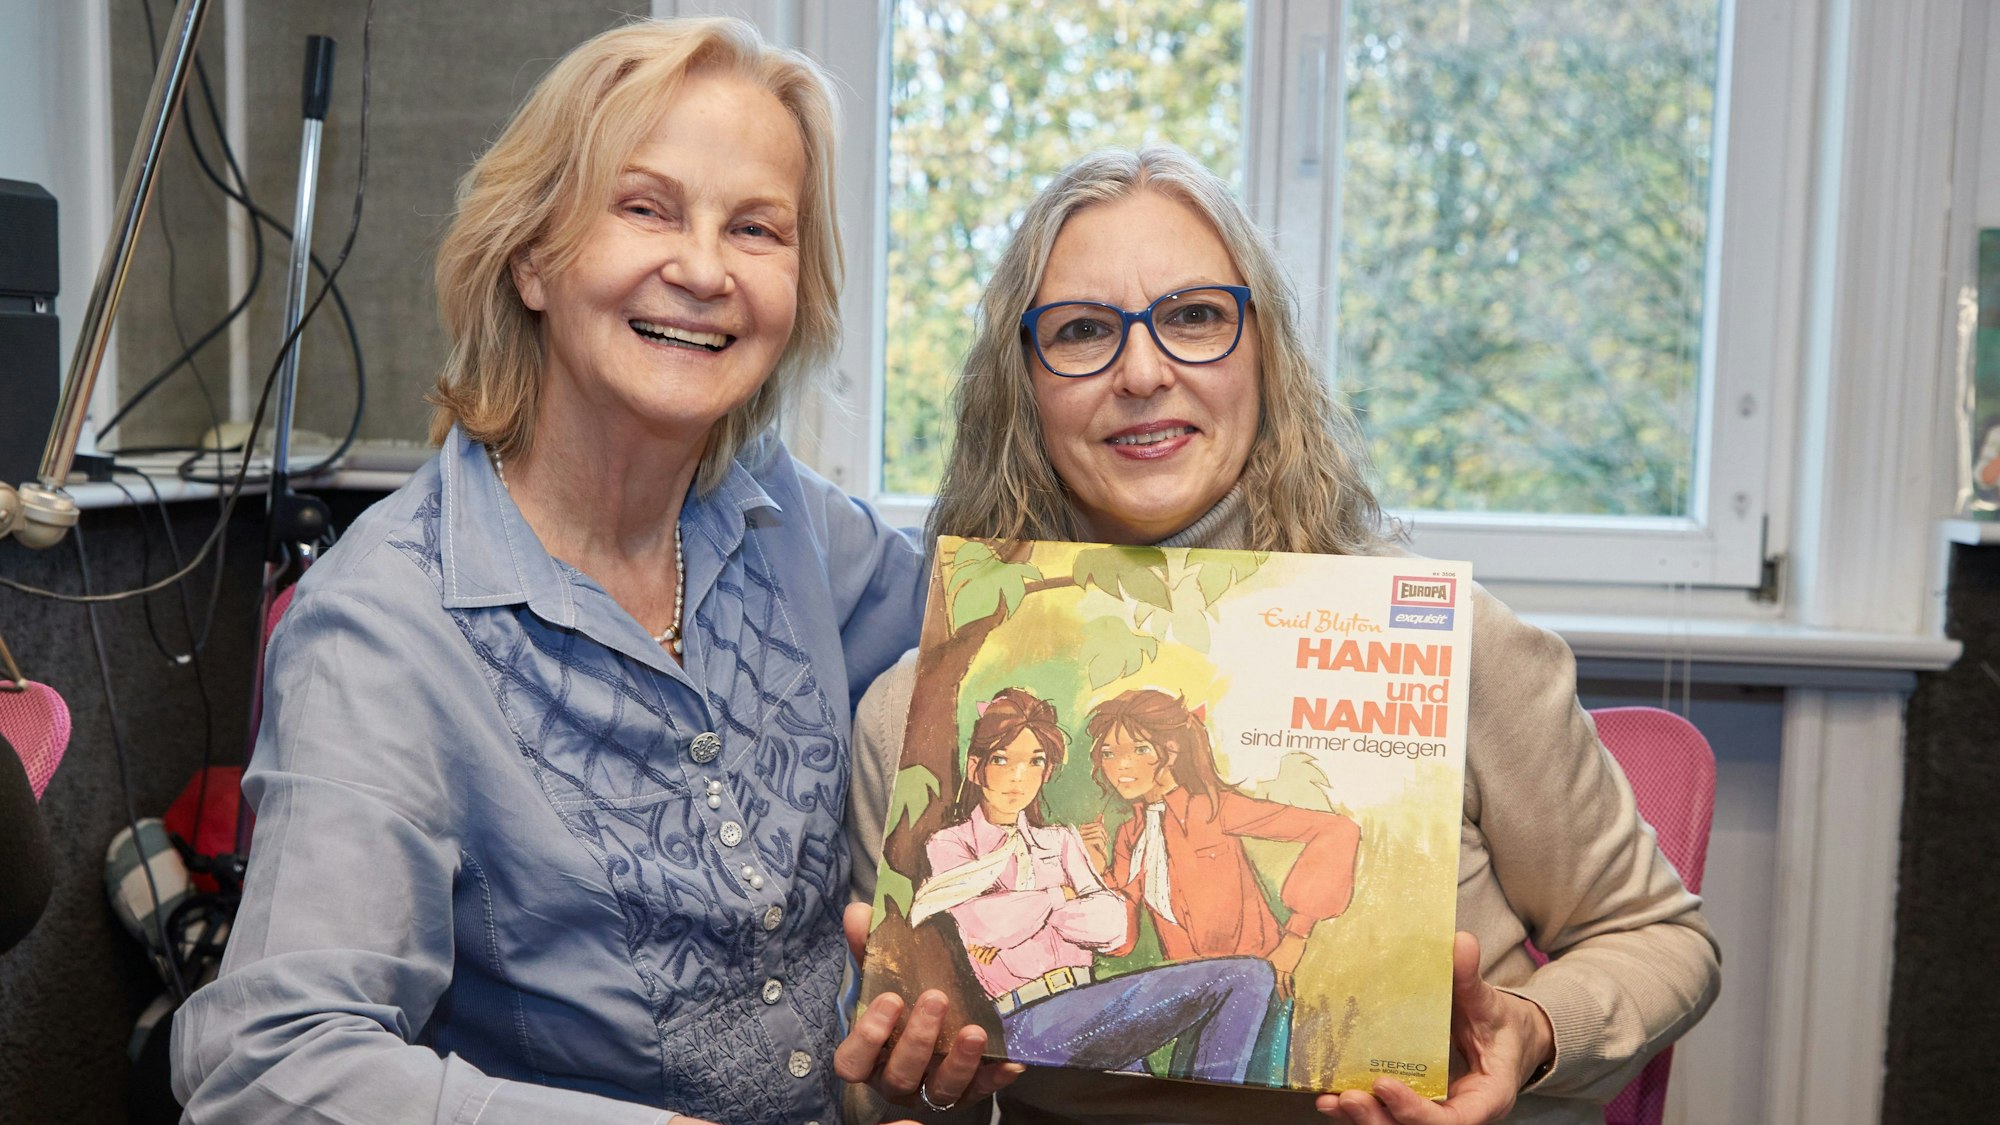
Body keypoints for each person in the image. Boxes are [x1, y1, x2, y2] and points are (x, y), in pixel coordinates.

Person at [843, 146, 1720, 1124]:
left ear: (1263, 353)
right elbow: (905, 1091)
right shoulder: (914, 715)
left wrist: (1527, 1027)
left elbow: (1661, 939)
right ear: (1021, 383)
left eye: (1193, 318)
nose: (1142, 371)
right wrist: (918, 1091)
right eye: (1083, 331)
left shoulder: (1449, 646)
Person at [170, 19, 938, 1124]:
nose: (706, 269)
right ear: (530, 256)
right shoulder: (383, 624)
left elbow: (1005, 646)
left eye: (757, 227)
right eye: (645, 208)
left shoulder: (792, 523)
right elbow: (267, 1066)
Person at [906, 687, 1276, 1084]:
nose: (1019, 776)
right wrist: (1059, 896)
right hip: (1027, 1023)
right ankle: (1214, 1106)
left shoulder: (1060, 840)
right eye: (1002, 759)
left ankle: (1208, 1104)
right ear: (977, 768)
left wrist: (1029, 913)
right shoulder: (951, 843)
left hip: (1090, 1009)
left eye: (1035, 762)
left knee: (1167, 1102)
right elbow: (986, 925)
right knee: (1245, 976)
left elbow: (1112, 924)